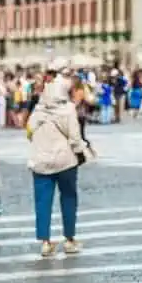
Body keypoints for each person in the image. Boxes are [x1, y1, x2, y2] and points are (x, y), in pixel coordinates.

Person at [27, 78, 88, 258]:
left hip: (41, 162)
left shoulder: (37, 111)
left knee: (42, 202)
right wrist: (80, 152)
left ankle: (45, 242)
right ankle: (69, 239)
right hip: (65, 161)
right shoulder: (68, 110)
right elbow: (75, 137)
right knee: (69, 198)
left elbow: (29, 131)